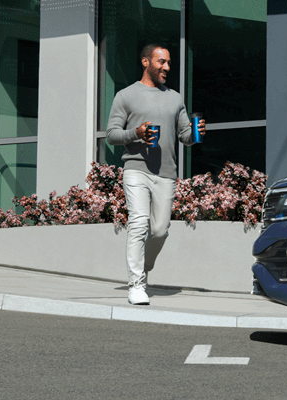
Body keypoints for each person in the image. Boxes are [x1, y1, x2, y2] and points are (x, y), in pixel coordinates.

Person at [103, 43, 207, 305]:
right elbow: (112, 135)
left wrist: (196, 134)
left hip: (166, 173)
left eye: (169, 63)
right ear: (146, 62)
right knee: (138, 222)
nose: (167, 67)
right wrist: (135, 133)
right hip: (136, 169)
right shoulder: (125, 96)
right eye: (162, 62)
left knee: (160, 230)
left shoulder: (175, 97)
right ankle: (136, 283)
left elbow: (184, 134)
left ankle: (144, 265)